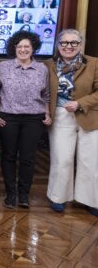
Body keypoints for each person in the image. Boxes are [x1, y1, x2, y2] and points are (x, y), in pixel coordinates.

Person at [45, 29, 98, 217]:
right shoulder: (49, 64)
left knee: (89, 161)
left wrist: (80, 103)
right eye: (64, 43)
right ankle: (58, 197)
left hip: (89, 116)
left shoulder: (93, 63)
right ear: (58, 45)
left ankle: (91, 200)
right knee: (62, 159)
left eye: (73, 43)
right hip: (60, 116)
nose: (69, 46)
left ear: (80, 45)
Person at [0, 30, 50, 209]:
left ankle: (24, 195)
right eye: (20, 46)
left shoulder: (42, 69)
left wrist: (48, 114)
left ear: (33, 48)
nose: (23, 49)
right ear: (14, 48)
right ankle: (10, 194)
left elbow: (47, 94)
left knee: (28, 158)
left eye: (27, 46)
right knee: (9, 156)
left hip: (34, 119)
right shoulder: (2, 67)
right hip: (8, 118)